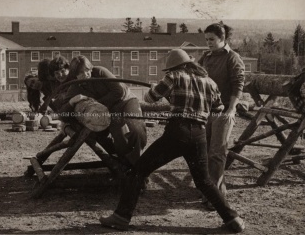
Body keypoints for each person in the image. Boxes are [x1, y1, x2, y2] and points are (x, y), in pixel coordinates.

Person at [99, 49, 245, 233]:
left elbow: (150, 98)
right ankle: (233, 219)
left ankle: (121, 217)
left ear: (175, 67)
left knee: (137, 172)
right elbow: (218, 110)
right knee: (204, 181)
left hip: (177, 132)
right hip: (198, 134)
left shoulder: (173, 77)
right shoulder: (210, 83)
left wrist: (164, 91)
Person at [63, 55, 147, 168]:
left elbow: (119, 91)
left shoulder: (100, 71)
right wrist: (72, 101)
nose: (86, 75)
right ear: (74, 74)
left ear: (91, 68)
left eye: (87, 70)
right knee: (119, 134)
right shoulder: (74, 87)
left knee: (136, 128)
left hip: (126, 100)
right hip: (109, 109)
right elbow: (62, 112)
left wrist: (97, 103)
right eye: (81, 73)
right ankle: (126, 163)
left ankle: (137, 163)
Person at [198, 22, 245, 207]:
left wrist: (231, 110)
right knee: (206, 151)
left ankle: (216, 198)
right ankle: (210, 191)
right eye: (206, 39)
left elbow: (238, 85)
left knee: (217, 153)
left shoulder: (232, 58)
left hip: (223, 111)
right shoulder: (206, 57)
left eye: (212, 39)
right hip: (205, 111)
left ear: (222, 39)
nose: (208, 43)